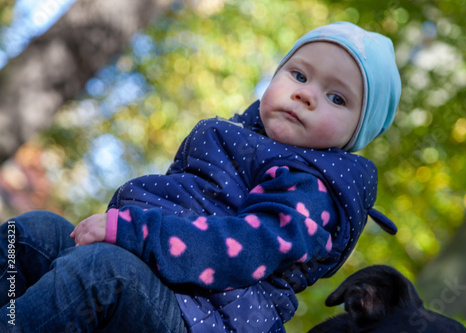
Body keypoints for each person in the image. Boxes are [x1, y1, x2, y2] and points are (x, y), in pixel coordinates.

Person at [0, 21, 401, 332]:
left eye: (337, 98)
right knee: (34, 234)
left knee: (101, 273)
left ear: (355, 135)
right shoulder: (241, 138)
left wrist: (131, 231)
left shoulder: (313, 188)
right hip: (159, 281)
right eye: (298, 75)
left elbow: (239, 247)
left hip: (205, 317)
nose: (307, 94)